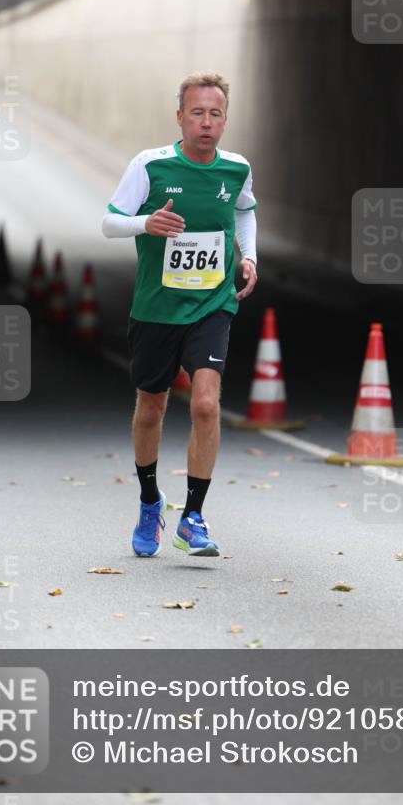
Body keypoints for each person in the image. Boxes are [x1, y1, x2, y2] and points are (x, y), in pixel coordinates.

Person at [102, 72, 258, 558]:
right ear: (179, 117)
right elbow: (108, 222)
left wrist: (248, 255)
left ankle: (193, 516)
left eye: (215, 114)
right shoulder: (150, 166)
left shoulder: (236, 169)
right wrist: (145, 222)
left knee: (206, 403)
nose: (206, 123)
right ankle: (151, 501)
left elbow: (245, 210)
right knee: (152, 406)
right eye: (197, 113)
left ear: (225, 119)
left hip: (213, 301)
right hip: (156, 307)